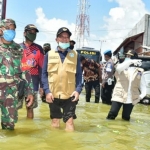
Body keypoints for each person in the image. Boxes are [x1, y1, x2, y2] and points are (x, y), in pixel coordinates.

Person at [42, 27, 82, 131]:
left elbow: (79, 75)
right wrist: (47, 91)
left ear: (69, 39)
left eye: (67, 37)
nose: (64, 39)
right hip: (53, 95)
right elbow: (44, 74)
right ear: (56, 39)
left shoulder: (75, 55)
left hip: (70, 95)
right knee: (55, 121)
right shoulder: (49, 54)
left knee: (70, 122)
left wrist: (77, 91)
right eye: (62, 37)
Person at [0, 19, 34, 130]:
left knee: (9, 125)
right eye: (8, 28)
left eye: (13, 29)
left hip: (10, 92)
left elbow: (26, 71)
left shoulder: (19, 49)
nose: (11, 31)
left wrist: (29, 92)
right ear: (1, 30)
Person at [106, 50, 146, 121]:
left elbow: (143, 87)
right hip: (119, 95)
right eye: (127, 56)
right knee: (112, 113)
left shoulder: (140, 71)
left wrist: (139, 97)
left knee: (126, 118)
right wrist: (130, 61)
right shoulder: (121, 67)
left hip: (131, 98)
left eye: (129, 56)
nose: (127, 57)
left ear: (134, 57)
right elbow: (118, 68)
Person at [19, 24, 44, 119]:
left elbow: (41, 68)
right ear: (24, 33)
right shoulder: (17, 47)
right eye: (31, 32)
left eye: (35, 33)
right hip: (19, 81)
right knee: (13, 107)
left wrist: (42, 86)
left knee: (30, 107)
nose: (33, 34)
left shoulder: (39, 49)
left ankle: (29, 129)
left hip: (33, 82)